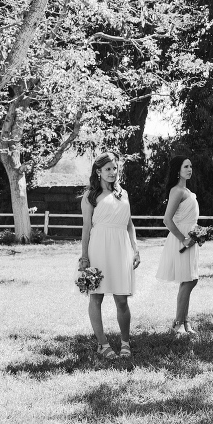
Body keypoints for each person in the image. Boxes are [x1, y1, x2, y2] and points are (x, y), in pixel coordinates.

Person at [78, 152, 140, 360]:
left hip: (121, 247)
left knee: (122, 299)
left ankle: (125, 342)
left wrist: (136, 248)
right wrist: (84, 257)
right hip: (99, 247)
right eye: (107, 169)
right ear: (98, 172)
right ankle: (102, 344)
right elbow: (86, 229)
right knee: (97, 296)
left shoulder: (124, 194)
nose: (112, 172)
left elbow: (130, 224)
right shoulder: (90, 196)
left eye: (114, 168)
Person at [156, 155, 200, 335]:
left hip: (191, 237)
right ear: (177, 171)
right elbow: (167, 220)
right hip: (182, 239)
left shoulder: (187, 191)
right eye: (185, 167)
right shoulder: (177, 191)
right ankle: (177, 323)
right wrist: (184, 238)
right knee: (189, 280)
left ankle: (185, 321)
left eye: (190, 166)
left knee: (190, 279)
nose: (189, 169)